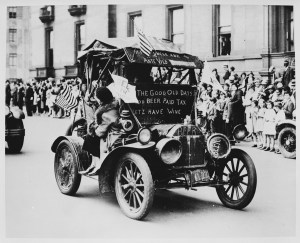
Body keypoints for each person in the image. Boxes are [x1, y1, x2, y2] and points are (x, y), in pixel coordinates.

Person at [80, 87, 120, 176]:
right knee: (90, 137)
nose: (96, 99)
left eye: (97, 97)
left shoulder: (105, 113)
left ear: (101, 98)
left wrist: (94, 129)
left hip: (111, 137)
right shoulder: (114, 105)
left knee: (89, 138)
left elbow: (100, 132)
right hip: (114, 131)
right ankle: (93, 164)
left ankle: (97, 164)